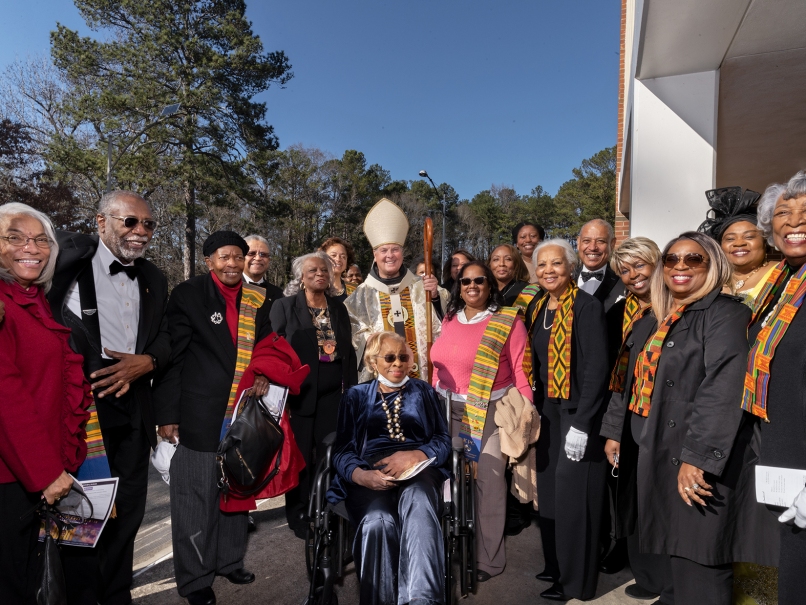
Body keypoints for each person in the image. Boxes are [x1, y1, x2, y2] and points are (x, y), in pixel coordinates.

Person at [609, 231, 776, 605]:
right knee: (674, 554)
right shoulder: (653, 318)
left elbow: (723, 390)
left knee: (700, 560)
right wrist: (614, 431)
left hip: (696, 457)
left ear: (713, 264)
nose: (680, 266)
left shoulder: (727, 314)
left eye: (693, 259)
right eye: (672, 259)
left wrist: (697, 460)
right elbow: (627, 379)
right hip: (655, 448)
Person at [47, 190, 171, 605]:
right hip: (82, 410)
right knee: (81, 513)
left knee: (129, 512)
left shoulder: (155, 277)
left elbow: (168, 338)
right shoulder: (65, 262)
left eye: (148, 224)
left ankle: (117, 594)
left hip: (134, 408)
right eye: (129, 221)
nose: (140, 231)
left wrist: (148, 361)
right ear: (101, 222)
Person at [153, 231, 273, 605]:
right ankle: (195, 578)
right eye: (225, 257)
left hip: (243, 413)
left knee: (237, 487)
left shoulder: (259, 298)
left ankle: (229, 560)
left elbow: (269, 344)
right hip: (199, 413)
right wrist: (168, 413)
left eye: (239, 257)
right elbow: (174, 357)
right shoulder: (189, 295)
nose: (233, 264)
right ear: (209, 262)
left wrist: (266, 372)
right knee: (194, 499)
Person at [0, 202, 92, 604]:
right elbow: (6, 396)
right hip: (11, 475)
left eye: (41, 240)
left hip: (32, 473)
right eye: (14, 237)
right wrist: (45, 473)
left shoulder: (32, 297)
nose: (30, 248)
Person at [327, 331, 451, 605]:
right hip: (370, 471)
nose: (398, 363)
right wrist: (361, 475)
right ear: (373, 362)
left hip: (419, 468)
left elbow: (443, 441)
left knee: (418, 501)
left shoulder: (424, 392)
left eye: (403, 357)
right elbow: (343, 450)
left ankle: (422, 599)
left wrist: (417, 454)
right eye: (390, 357)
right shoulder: (356, 396)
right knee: (378, 521)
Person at [430, 261, 536, 581]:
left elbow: (521, 371)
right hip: (446, 409)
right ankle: (446, 546)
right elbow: (437, 365)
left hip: (484, 412)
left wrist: (527, 413)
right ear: (458, 287)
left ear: (490, 285)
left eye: (479, 280)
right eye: (465, 282)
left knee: (486, 479)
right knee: (442, 478)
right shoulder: (449, 319)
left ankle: (488, 559)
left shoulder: (506, 321)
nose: (471, 286)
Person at [525, 238, 609, 602]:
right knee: (552, 495)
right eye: (541, 265)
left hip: (577, 413)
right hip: (549, 413)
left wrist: (585, 422)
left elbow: (597, 368)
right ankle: (557, 565)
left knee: (577, 501)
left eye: (556, 264)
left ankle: (577, 582)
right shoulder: (538, 306)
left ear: (570, 267)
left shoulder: (586, 306)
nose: (548, 271)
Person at [599, 237, 674, 604]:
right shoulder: (632, 318)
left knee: (664, 504)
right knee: (635, 501)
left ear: (657, 263)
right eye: (625, 271)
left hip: (671, 429)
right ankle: (647, 575)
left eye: (639, 266)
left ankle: (668, 582)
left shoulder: (682, 311)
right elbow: (621, 382)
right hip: (633, 425)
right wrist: (613, 433)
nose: (633, 276)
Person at [745, 171, 806, 604]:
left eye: (805, 211)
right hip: (784, 454)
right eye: (782, 214)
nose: (793, 221)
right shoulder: (782, 284)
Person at [271, 251, 358, 537]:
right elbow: (275, 351)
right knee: (300, 457)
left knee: (328, 453)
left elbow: (349, 353)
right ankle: (300, 514)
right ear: (302, 277)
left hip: (334, 393)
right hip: (299, 394)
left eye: (324, 270)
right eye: (312, 271)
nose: (319, 274)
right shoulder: (284, 307)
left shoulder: (338, 308)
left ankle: (326, 509)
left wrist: (353, 393)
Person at [345, 198, 449, 382]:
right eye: (384, 250)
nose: (390, 256)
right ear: (374, 255)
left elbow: (446, 325)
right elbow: (353, 333)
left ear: (402, 253)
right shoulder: (360, 295)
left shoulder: (422, 287)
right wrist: (371, 339)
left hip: (421, 377)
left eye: (395, 249)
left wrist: (435, 298)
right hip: (380, 382)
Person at [698, 186, 777, 303]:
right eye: (730, 239)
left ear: (765, 242)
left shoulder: (783, 273)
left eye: (749, 236)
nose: (739, 243)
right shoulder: (711, 281)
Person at [576, 219, 625, 312]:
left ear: (612, 244)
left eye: (600, 241)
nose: (592, 247)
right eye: (586, 241)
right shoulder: (565, 280)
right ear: (578, 243)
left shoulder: (623, 282)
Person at [243, 234, 284, 303]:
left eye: (263, 254)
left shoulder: (280, 295)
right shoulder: (225, 289)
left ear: (269, 260)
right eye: (251, 253)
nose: (258, 258)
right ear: (241, 257)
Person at [320, 236, 357, 302]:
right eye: (333, 255)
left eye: (343, 256)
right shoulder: (317, 287)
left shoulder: (354, 289)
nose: (338, 259)